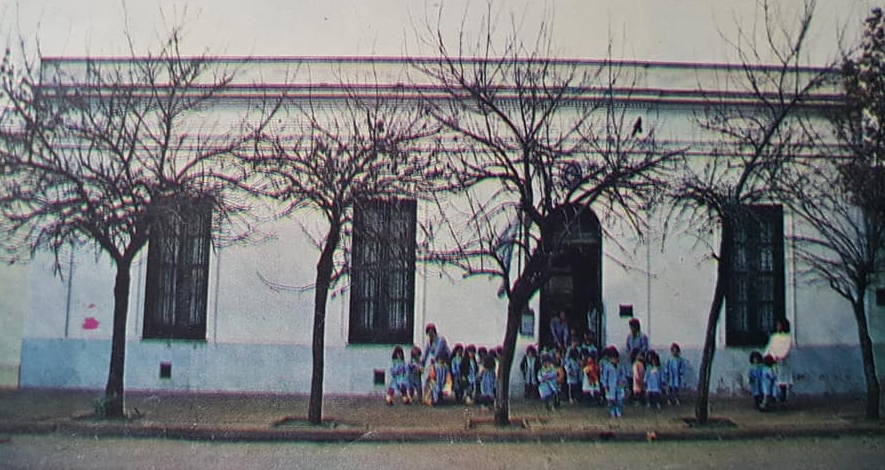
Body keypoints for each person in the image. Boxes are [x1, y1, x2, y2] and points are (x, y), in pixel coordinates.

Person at [764, 318, 793, 403]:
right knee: (771, 379)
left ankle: (783, 398)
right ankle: (772, 397)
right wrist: (767, 356)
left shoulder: (787, 338)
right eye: (777, 325)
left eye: (779, 325)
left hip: (782, 363)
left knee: (782, 381)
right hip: (772, 362)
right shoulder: (774, 337)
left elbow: (785, 349)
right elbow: (770, 347)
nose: (777, 327)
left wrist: (778, 356)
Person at [600, 345, 627, 418]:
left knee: (619, 399)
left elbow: (623, 374)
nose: (615, 360)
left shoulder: (620, 366)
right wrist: (605, 385)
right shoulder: (607, 366)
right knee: (611, 400)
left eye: (616, 358)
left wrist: (623, 382)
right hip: (610, 385)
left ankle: (618, 411)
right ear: (610, 359)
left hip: (619, 385)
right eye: (613, 358)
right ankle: (612, 411)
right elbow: (605, 377)